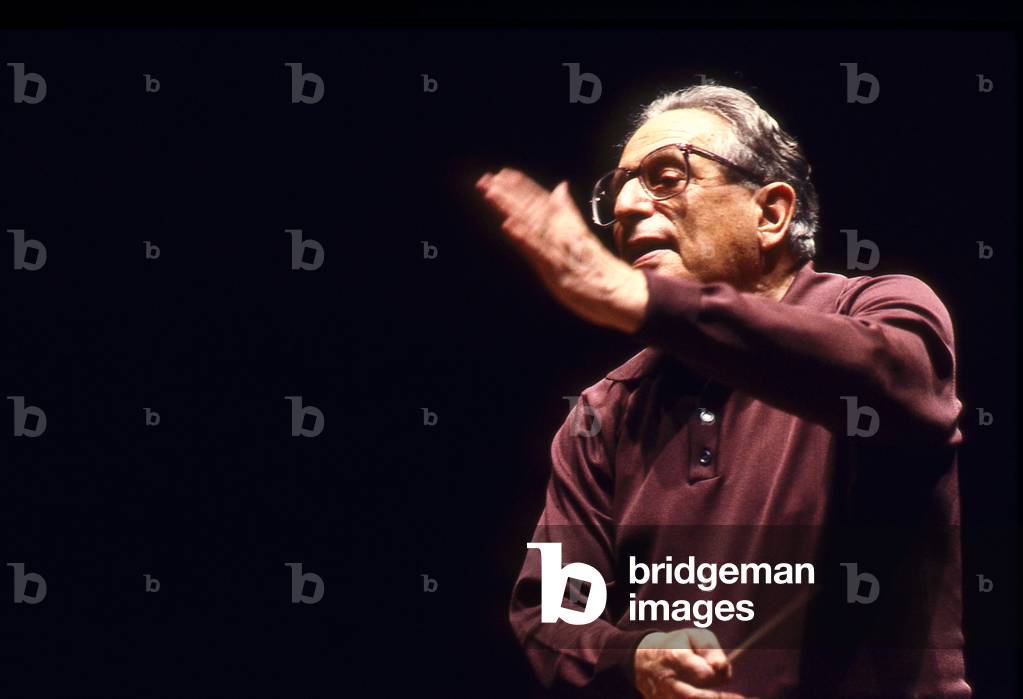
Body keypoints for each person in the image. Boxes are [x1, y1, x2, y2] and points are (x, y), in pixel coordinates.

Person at [475, 84, 971, 698]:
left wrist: (643, 302)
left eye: (665, 175)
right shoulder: (603, 412)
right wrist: (634, 658)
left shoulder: (883, 310)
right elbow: (549, 612)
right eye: (621, 187)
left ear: (770, 213)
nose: (628, 205)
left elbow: (885, 381)